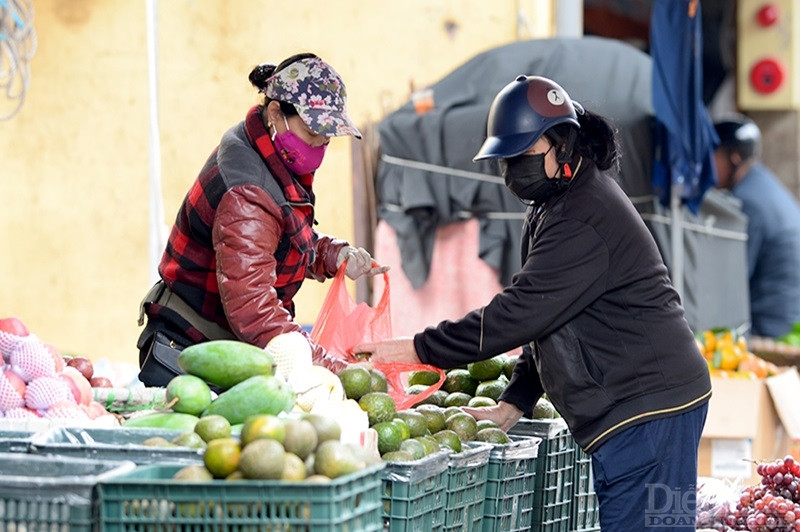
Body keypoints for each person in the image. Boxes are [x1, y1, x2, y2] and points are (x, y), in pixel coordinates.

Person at [355, 75, 711, 530]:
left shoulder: (585, 215)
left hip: (652, 411)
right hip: (640, 411)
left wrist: (416, 349)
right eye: (505, 159)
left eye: (522, 155)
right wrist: (515, 402)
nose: (511, 171)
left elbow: (517, 314)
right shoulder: (552, 206)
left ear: (562, 145)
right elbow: (546, 322)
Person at [137, 52, 387, 386]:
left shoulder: (264, 149)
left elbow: (275, 234)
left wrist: (332, 254)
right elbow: (254, 310)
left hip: (223, 342)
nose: (321, 143)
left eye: (328, 135)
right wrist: (330, 369)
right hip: (192, 351)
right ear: (275, 113)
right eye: (314, 131)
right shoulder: (247, 191)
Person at [713, 115, 800, 338]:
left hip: (770, 329)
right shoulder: (764, 184)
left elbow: (732, 278)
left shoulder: (747, 202)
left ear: (734, 157)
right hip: (790, 320)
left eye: (713, 155)